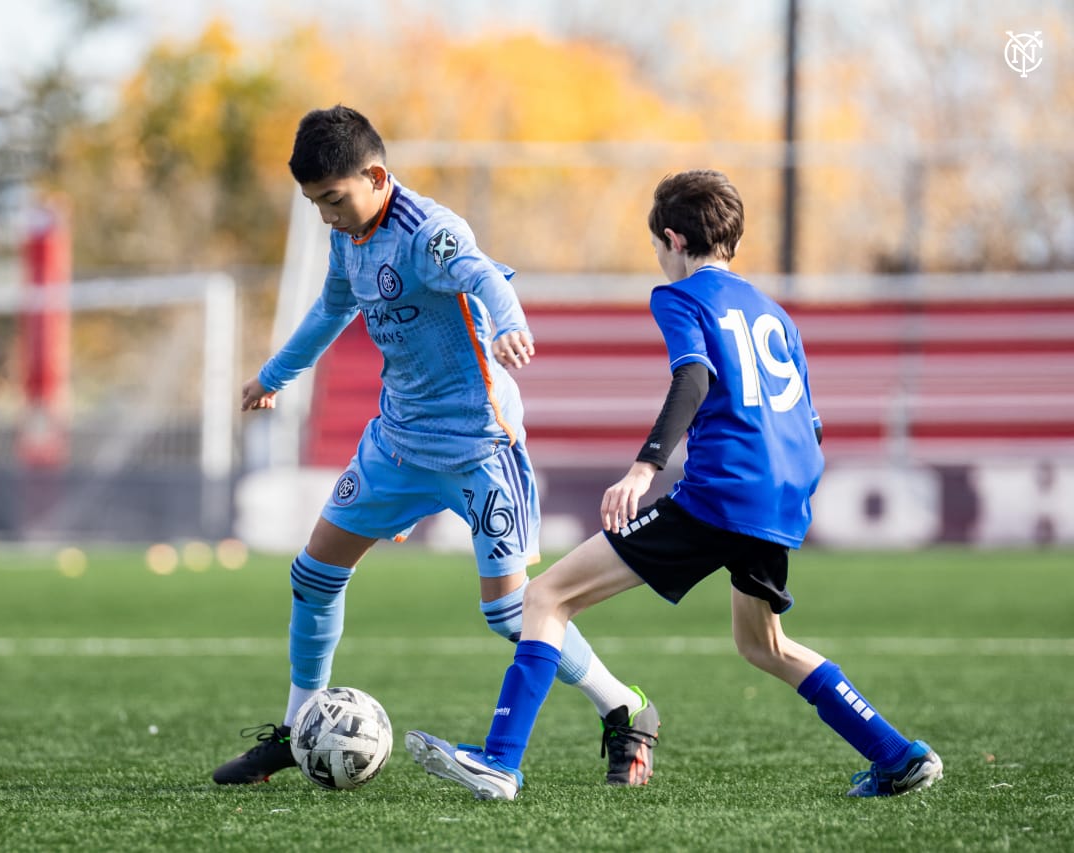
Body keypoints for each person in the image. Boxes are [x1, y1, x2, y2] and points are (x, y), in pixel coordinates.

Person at [405, 169, 944, 800]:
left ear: (671, 239)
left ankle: (500, 761)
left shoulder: (680, 296)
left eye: (657, 248)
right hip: (783, 494)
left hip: (722, 493)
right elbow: (810, 423)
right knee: (763, 644)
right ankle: (899, 755)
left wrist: (644, 468)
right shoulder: (774, 314)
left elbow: (692, 379)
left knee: (546, 596)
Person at [211, 105, 658, 787]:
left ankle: (625, 706)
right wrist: (274, 376)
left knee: (512, 612)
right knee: (314, 574)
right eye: (314, 204)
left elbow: (484, 277)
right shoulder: (348, 237)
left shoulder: (429, 233)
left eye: (333, 199)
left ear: (377, 175)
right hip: (397, 441)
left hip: (480, 448)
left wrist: (507, 325)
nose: (327, 216)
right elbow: (334, 308)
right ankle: (301, 728)